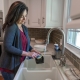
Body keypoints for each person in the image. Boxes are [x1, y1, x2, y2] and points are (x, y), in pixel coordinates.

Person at [0, 1, 40, 80]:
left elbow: (26, 44)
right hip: (9, 67)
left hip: (18, 64)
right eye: (21, 16)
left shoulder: (24, 28)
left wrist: (32, 49)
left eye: (25, 16)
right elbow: (8, 46)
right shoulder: (12, 27)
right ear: (15, 15)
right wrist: (27, 53)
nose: (24, 19)